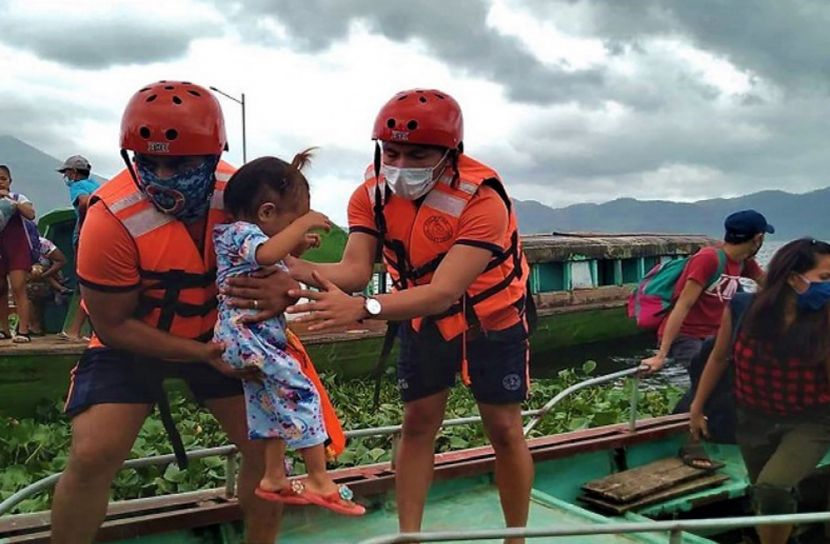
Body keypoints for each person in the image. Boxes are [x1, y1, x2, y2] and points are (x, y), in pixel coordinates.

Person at [236, 88, 534, 541]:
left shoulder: (482, 200)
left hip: (489, 323)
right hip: (421, 321)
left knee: (504, 429)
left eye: (418, 155)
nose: (401, 165)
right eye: (392, 152)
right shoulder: (370, 195)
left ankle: (517, 537)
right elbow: (355, 270)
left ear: (450, 154)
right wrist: (292, 271)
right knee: (417, 424)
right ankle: (408, 536)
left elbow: (444, 290)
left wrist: (364, 308)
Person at [50, 81, 295, 544]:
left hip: (223, 333)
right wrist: (199, 355)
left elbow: (284, 255)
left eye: (179, 163)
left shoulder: (243, 195)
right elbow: (113, 325)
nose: (163, 173)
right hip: (134, 341)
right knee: (93, 453)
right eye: (149, 161)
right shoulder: (109, 220)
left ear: (211, 156)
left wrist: (284, 282)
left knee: (267, 451)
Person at [215, 152, 364, 516]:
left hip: (246, 339)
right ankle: (317, 477)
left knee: (266, 406)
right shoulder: (240, 233)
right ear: (266, 213)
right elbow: (266, 254)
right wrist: (303, 226)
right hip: (249, 338)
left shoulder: (247, 236)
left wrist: (299, 242)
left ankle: (273, 477)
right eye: (295, 219)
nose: (300, 226)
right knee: (301, 392)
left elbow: (275, 253)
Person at [690, 238, 830, 544]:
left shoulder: (825, 318)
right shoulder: (743, 309)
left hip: (810, 421)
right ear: (794, 278)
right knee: (766, 501)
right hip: (753, 419)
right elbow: (718, 357)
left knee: (773, 488)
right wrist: (697, 407)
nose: (828, 287)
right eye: (825, 279)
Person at [642, 209, 770, 375]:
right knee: (708, 374)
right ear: (757, 239)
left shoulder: (744, 262)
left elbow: (768, 284)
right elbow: (683, 305)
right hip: (686, 335)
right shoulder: (708, 259)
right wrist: (661, 355)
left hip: (715, 334)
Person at [56, 154, 100, 341]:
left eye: (67, 172)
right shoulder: (97, 185)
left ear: (73, 172)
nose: (66, 176)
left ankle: (74, 330)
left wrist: (83, 221)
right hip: (102, 234)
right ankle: (91, 331)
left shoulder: (77, 186)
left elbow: (83, 202)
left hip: (85, 236)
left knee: (85, 283)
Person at [0, 164, 35, 343]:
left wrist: (12, 202)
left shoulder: (18, 197)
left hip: (17, 248)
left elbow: (31, 214)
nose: (0, 183)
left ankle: (23, 331)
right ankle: (3, 329)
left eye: (3, 179)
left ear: (10, 181)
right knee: (1, 289)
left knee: (18, 287)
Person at [27, 236, 73, 335]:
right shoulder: (17, 245)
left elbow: (61, 260)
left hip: (48, 275)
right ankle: (33, 326)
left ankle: (59, 288)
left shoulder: (42, 243)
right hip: (32, 277)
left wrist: (43, 275)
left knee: (31, 289)